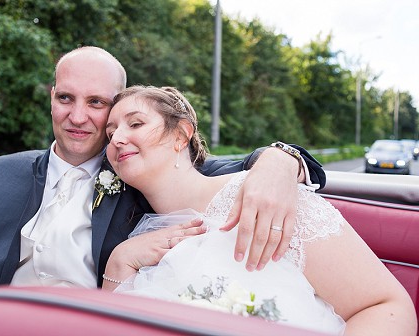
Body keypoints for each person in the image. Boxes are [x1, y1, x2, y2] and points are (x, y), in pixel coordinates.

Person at [0, 46, 327, 288]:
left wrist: (279, 160)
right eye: (66, 98)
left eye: (96, 102)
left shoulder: (145, 175)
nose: (77, 116)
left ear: (114, 108)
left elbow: (230, 168)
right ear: (52, 99)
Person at [100, 85, 415, 334]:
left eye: (136, 124)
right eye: (110, 133)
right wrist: (119, 262)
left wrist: (282, 159)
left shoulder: (267, 194)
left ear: (182, 135)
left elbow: (384, 306)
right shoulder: (136, 235)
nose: (117, 139)